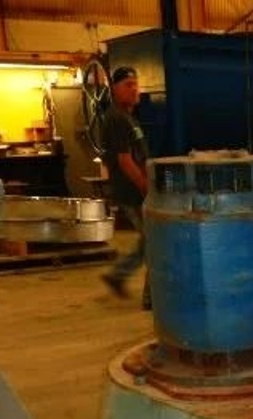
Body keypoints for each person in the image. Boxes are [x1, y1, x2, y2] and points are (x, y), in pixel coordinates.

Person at [100, 66, 151, 308]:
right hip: (131, 192)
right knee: (154, 243)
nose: (134, 89)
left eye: (135, 84)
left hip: (136, 190)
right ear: (114, 89)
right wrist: (144, 186)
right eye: (127, 85)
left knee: (149, 241)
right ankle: (152, 297)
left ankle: (118, 275)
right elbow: (124, 160)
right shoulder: (117, 119)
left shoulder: (129, 117)